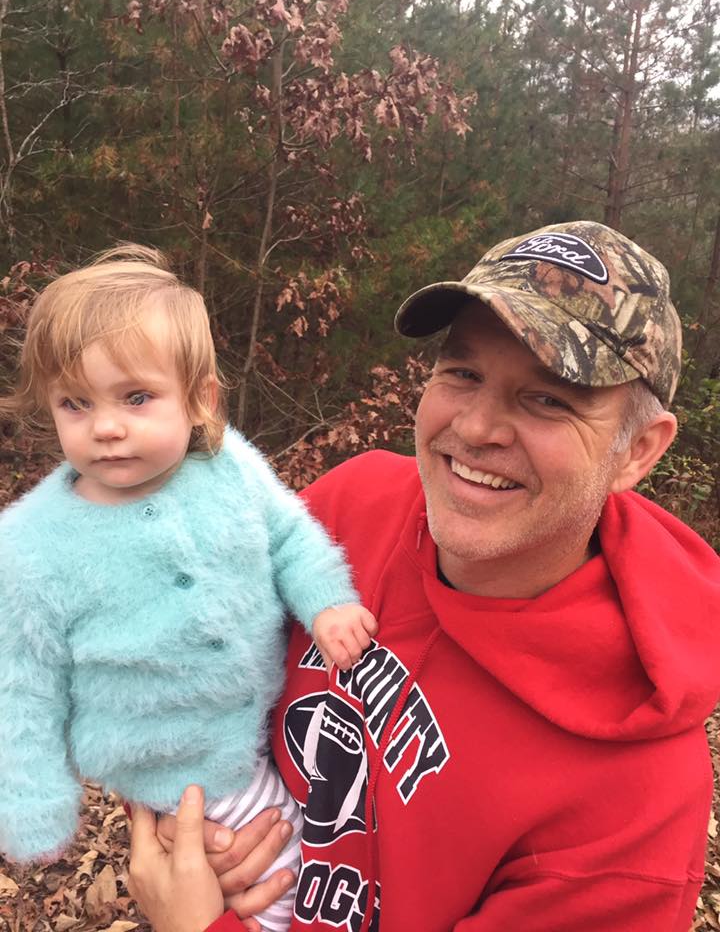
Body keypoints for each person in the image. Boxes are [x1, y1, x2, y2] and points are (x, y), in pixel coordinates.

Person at [132, 222, 719, 931]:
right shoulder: (351, 508)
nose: (474, 429)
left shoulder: (637, 806)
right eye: (462, 373)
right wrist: (186, 823)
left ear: (638, 452)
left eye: (548, 399)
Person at [0, 245, 378, 932]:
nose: (106, 427)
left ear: (199, 398)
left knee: (309, 862)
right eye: (75, 404)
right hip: (177, 771)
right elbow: (22, 681)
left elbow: (289, 536)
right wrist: (31, 804)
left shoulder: (230, 467)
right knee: (283, 885)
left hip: (264, 734)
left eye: (136, 397)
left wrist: (327, 601)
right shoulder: (30, 545)